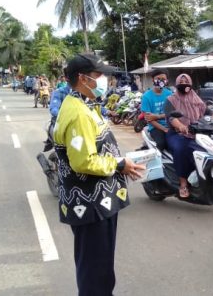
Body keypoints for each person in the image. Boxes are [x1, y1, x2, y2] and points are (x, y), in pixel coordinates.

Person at [53, 53, 145, 296]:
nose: (104, 80)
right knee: (95, 271)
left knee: (101, 267)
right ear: (83, 78)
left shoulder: (83, 104)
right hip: (89, 203)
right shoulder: (78, 112)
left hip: (97, 202)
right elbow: (84, 161)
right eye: (99, 75)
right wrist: (119, 164)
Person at [164, 73, 210, 198]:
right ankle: (183, 183)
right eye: (181, 80)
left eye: (186, 80)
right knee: (181, 149)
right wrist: (180, 126)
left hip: (197, 133)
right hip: (177, 133)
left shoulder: (197, 99)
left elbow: (209, 112)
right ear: (177, 83)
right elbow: (171, 117)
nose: (184, 83)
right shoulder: (171, 99)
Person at [141, 69, 173, 150]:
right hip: (155, 127)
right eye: (158, 78)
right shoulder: (146, 97)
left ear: (167, 81)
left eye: (163, 79)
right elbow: (149, 119)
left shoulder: (170, 94)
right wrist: (164, 129)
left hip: (171, 124)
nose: (161, 81)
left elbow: (172, 113)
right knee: (161, 143)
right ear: (153, 79)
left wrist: (157, 116)